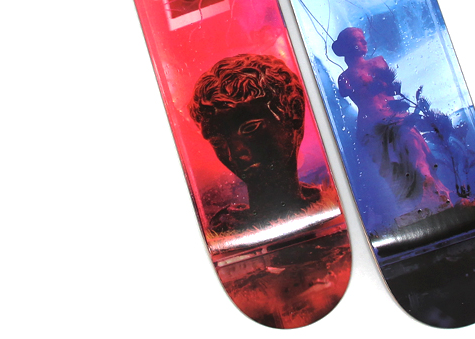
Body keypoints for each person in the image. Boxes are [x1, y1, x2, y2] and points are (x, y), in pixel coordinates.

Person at [190, 54, 321, 232]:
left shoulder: (336, 203)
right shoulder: (222, 229)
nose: (235, 152)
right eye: (218, 141)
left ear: (294, 110)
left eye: (250, 129)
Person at [332, 27, 451, 212]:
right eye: (358, 39)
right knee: (390, 166)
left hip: (395, 116)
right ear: (348, 45)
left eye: (363, 38)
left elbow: (391, 87)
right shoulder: (344, 78)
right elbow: (346, 92)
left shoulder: (378, 62)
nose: (364, 42)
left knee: (415, 150)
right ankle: (412, 205)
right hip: (371, 125)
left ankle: (434, 193)